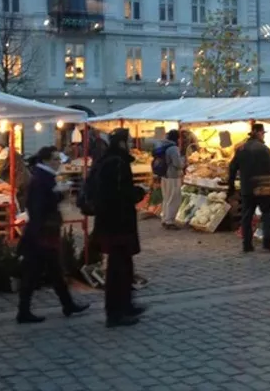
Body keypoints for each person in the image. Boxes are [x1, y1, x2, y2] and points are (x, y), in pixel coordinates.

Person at [16, 146, 88, 324]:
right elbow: (39, 207)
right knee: (33, 273)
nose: (58, 162)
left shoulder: (44, 177)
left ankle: (68, 304)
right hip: (42, 233)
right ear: (47, 160)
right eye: (55, 159)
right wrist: (59, 195)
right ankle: (24, 311)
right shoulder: (42, 178)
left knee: (55, 270)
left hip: (44, 232)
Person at [92, 128, 145, 327]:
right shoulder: (116, 163)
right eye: (128, 141)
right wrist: (137, 192)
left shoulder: (111, 160)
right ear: (121, 143)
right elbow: (119, 193)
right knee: (117, 269)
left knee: (125, 265)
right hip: (116, 223)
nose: (130, 144)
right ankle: (114, 313)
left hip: (114, 221)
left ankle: (126, 305)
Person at [228, 123, 270, 253]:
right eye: (262, 133)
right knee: (267, 214)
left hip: (247, 187)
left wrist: (231, 186)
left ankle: (247, 244)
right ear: (257, 132)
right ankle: (267, 242)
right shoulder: (264, 149)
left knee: (247, 215)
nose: (263, 136)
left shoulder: (241, 149)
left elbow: (232, 168)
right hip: (263, 187)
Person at [157, 130, 185, 230]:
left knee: (166, 198)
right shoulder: (173, 148)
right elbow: (177, 163)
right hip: (173, 176)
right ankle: (170, 221)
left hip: (164, 175)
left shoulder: (163, 145)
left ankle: (165, 219)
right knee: (174, 199)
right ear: (177, 138)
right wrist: (184, 162)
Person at [0, 140, 31, 210]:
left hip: (20, 180)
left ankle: (21, 216)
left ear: (0, 147)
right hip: (21, 178)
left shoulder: (4, 153)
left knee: (21, 201)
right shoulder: (8, 151)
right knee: (23, 200)